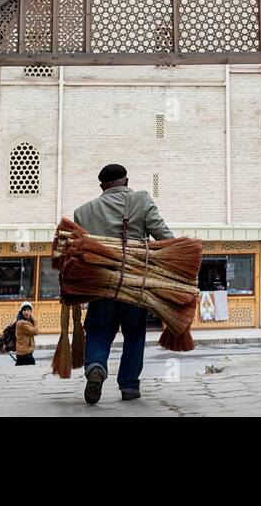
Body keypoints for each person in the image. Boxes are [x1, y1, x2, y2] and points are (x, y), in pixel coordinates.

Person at [72, 163, 173, 403]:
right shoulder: (140, 199)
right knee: (135, 335)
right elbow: (163, 236)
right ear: (126, 182)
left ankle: (96, 366)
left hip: (101, 287)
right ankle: (129, 387)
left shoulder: (83, 212)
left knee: (98, 331)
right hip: (135, 287)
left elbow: (76, 254)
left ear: (102, 187)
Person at [13, 301, 37, 366]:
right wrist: (35, 320)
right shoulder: (22, 323)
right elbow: (35, 331)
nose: (26, 312)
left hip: (23, 353)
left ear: (31, 311)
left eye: (28, 310)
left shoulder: (23, 321)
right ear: (21, 311)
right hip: (25, 354)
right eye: (24, 310)